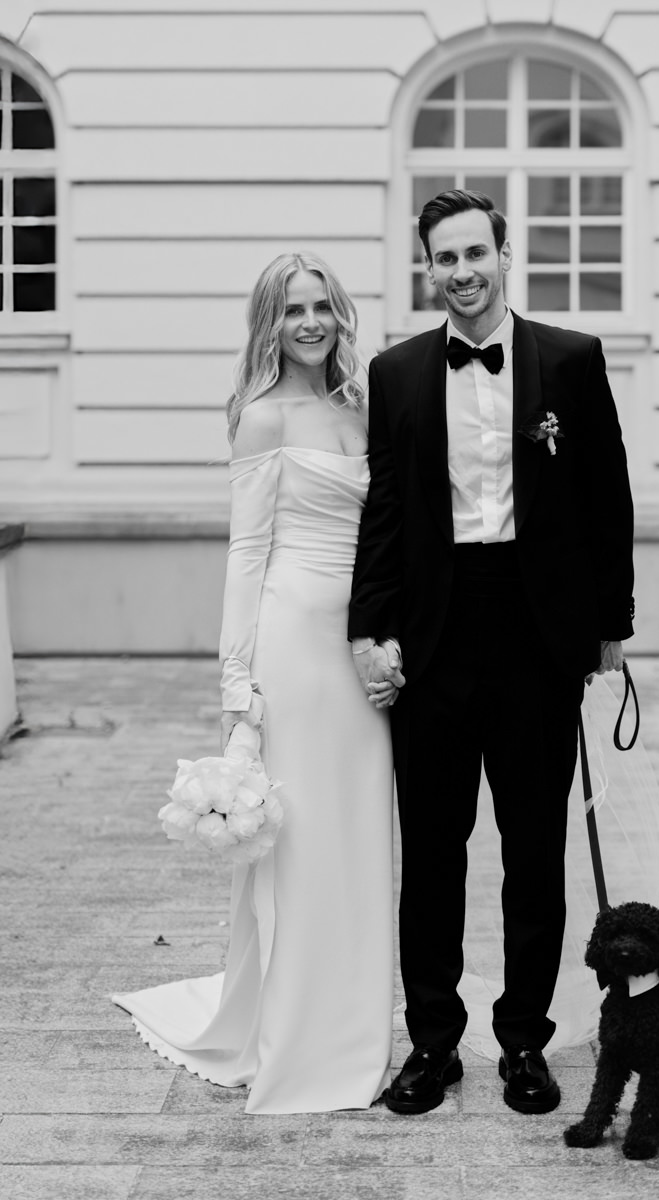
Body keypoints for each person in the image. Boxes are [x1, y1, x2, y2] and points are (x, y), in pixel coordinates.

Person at [349, 189, 636, 1116]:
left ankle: (523, 1042)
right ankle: (433, 1042)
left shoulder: (572, 359)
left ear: (505, 256)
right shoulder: (396, 373)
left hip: (537, 633)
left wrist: (612, 626)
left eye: (477, 253)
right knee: (433, 853)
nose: (463, 271)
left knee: (533, 851)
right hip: (434, 634)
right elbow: (385, 511)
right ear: (428, 268)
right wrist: (369, 628)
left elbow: (607, 498)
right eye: (446, 257)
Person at [112, 253, 398, 1113]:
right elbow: (246, 554)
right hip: (294, 646)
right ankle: (295, 1032)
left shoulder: (362, 406)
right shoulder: (263, 417)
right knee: (303, 841)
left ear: (341, 315)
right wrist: (237, 689)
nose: (309, 323)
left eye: (321, 307)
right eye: (291, 310)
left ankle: (355, 1019)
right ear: (269, 324)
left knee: (360, 833)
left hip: (361, 649)